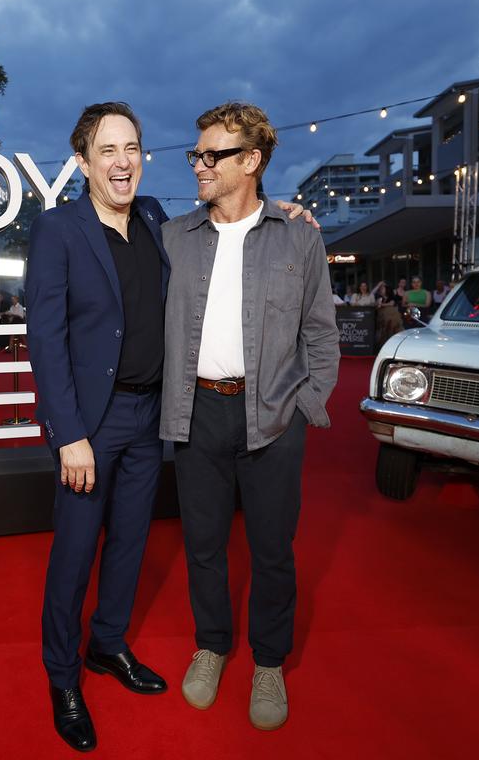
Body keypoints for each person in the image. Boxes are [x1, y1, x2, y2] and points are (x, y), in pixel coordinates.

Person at [26, 101, 312, 752]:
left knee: (129, 544)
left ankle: (109, 646)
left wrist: (289, 213)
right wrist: (67, 433)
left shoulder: (157, 220)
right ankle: (63, 677)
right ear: (82, 162)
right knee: (74, 554)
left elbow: (237, 225)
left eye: (132, 148)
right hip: (89, 425)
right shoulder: (58, 230)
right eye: (108, 151)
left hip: (151, 415)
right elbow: (43, 336)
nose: (124, 162)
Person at [160, 102, 339, 732]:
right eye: (197, 154)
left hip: (272, 415)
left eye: (213, 156)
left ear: (252, 162)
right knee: (203, 546)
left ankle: (268, 660)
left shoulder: (300, 235)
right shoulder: (173, 237)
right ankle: (211, 646)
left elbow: (321, 333)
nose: (199, 166)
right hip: (196, 411)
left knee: (272, 550)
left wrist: (306, 406)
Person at [373, 281, 403, 346]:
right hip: (382, 321)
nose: (380, 290)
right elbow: (373, 295)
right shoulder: (379, 298)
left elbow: (391, 304)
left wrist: (381, 304)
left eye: (382, 288)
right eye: (380, 289)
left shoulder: (392, 297)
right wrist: (378, 285)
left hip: (392, 321)